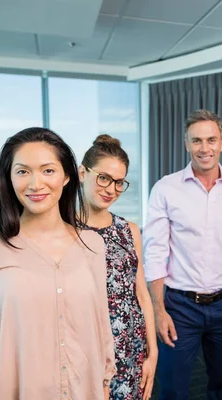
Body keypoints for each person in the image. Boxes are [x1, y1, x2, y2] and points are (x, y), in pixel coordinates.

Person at [0, 127, 116, 400]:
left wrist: (105, 385)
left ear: (67, 176)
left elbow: (101, 333)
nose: (35, 184)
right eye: (22, 171)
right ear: (9, 178)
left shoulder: (93, 245)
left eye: (48, 170)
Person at [143, 109, 222, 400]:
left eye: (211, 140)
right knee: (173, 388)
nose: (204, 148)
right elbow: (154, 252)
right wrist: (159, 309)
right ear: (186, 144)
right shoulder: (165, 189)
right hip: (180, 307)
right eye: (196, 141)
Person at [78, 134, 158, 400]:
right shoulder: (64, 232)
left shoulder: (129, 230)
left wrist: (152, 351)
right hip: (84, 350)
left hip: (130, 346)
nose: (111, 189)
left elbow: (141, 295)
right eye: (103, 178)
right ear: (82, 173)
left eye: (119, 182)